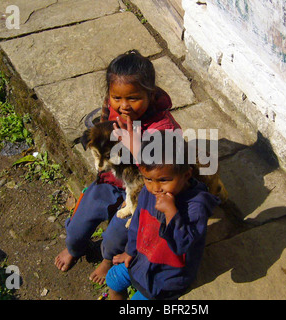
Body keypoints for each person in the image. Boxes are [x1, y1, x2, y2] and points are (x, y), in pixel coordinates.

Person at [54, 50, 181, 285]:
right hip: (113, 179)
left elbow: (164, 172)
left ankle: (107, 260)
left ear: (150, 95)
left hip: (142, 191)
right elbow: (101, 132)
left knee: (115, 236)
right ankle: (74, 246)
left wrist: (137, 148)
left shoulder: (163, 128)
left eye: (133, 98)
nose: (124, 106)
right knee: (79, 224)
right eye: (116, 98)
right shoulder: (112, 108)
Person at [106, 132, 220, 300]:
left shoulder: (196, 206)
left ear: (186, 175)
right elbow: (137, 222)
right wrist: (130, 251)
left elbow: (183, 245)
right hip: (143, 257)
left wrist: (171, 213)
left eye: (164, 180)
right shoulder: (148, 191)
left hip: (167, 276)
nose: (155, 188)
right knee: (112, 281)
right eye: (148, 179)